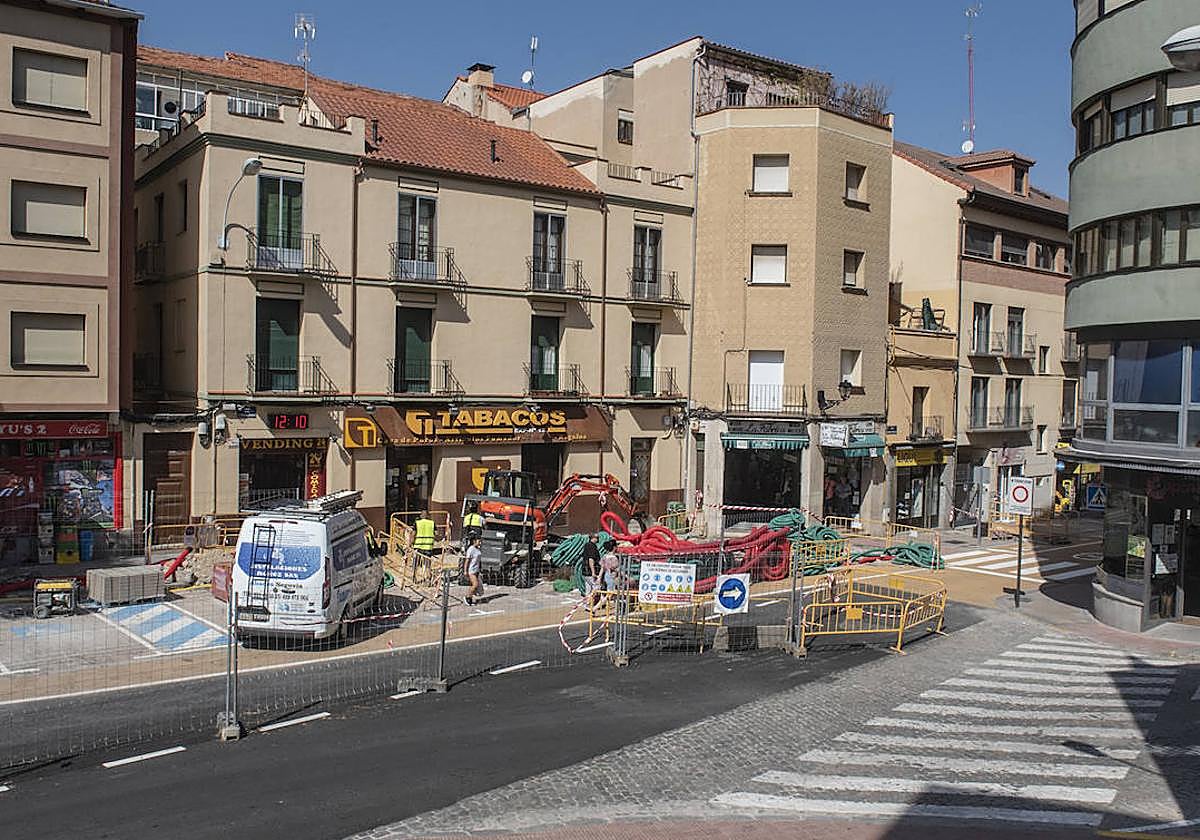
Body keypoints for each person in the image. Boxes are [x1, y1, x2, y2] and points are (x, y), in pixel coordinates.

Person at [582, 533, 602, 606]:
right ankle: (591, 603)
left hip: (585, 571)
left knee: (588, 588)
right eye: (597, 537)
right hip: (590, 571)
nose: (598, 539)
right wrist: (593, 572)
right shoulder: (592, 546)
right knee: (596, 587)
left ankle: (587, 604)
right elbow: (591, 559)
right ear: (594, 538)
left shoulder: (587, 545)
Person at [465, 536, 483, 606]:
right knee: (475, 584)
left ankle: (470, 598)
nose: (480, 543)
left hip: (476, 570)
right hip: (471, 570)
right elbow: (467, 560)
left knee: (476, 586)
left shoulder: (478, 549)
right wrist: (465, 571)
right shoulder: (471, 549)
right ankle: (467, 597)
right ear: (474, 541)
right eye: (479, 541)